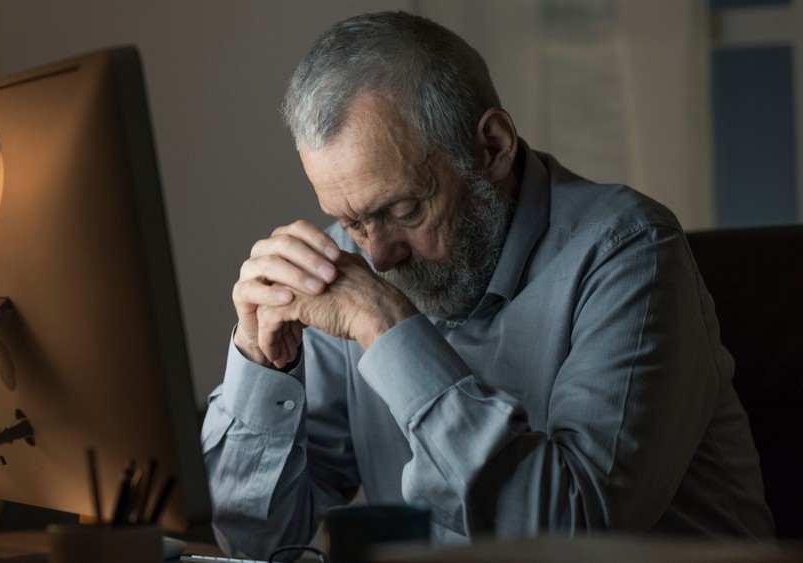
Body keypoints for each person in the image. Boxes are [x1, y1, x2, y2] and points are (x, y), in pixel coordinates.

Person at [201, 10, 774, 559]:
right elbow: (259, 542)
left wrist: (391, 333)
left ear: (494, 146)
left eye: (404, 209)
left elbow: (576, 534)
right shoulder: (354, 259)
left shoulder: (630, 251)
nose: (378, 255)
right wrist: (260, 365)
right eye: (352, 220)